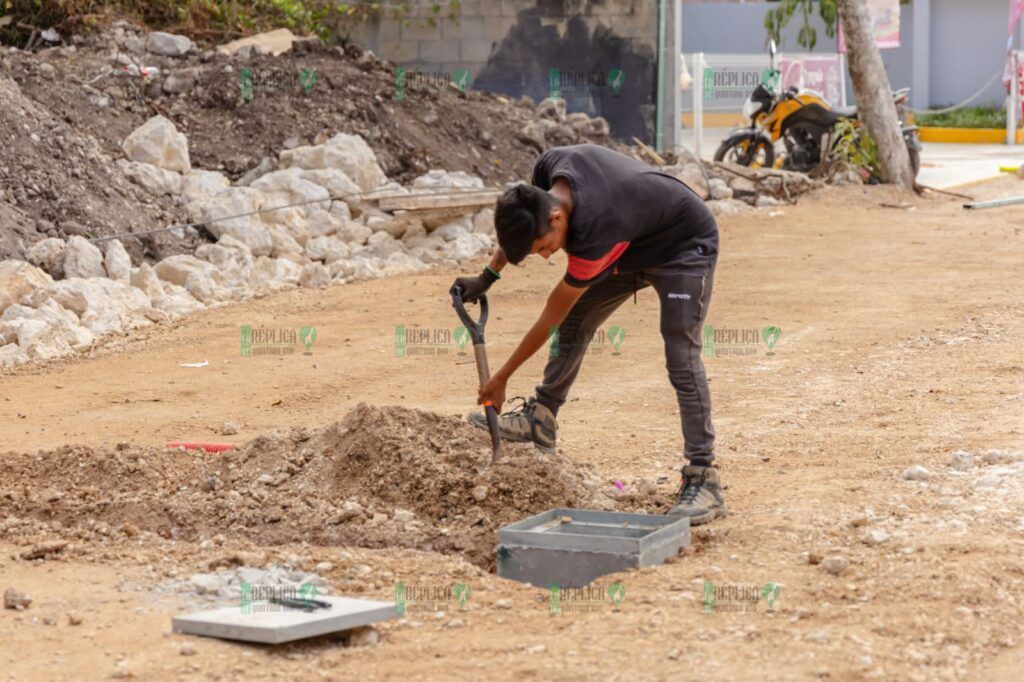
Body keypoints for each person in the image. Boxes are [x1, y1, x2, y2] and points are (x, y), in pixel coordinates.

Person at [450, 144, 724, 524]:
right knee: (578, 321)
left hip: (681, 246)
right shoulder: (549, 170)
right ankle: (541, 419)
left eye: (545, 247)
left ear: (558, 217)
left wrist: (501, 378)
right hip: (630, 242)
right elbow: (520, 222)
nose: (546, 256)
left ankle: (703, 476)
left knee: (680, 353)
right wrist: (488, 276)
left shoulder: (596, 227)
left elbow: (551, 314)